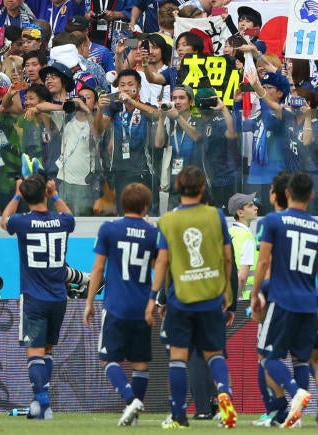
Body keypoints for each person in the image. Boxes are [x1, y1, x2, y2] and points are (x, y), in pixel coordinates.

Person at [145, 166, 237, 429]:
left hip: (180, 299)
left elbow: (162, 261)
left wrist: (154, 298)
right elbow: (227, 256)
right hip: (210, 296)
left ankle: (179, 416)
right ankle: (225, 397)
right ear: (201, 189)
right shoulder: (215, 215)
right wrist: (225, 293)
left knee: (178, 356)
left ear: (177, 188)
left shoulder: (168, 220)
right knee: (214, 353)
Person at [250, 172, 318, 428]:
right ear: (311, 196)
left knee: (268, 357)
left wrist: (254, 294)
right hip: (308, 302)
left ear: (286, 194)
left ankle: (295, 393)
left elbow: (263, 261)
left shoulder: (274, 221)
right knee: (300, 360)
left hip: (281, 299)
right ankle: (292, 417)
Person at [2, 173, 75, 419]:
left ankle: (43, 405)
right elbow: (70, 217)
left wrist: (16, 194)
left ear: (25, 196)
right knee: (47, 351)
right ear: (46, 192)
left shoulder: (22, 222)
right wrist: (55, 195)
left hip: (34, 298)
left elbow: (4, 221)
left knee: (34, 354)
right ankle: (40, 402)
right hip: (58, 298)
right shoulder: (61, 221)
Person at [85, 182, 158, 427]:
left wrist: (89, 302)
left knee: (107, 359)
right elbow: (161, 268)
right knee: (140, 363)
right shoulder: (152, 233)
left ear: (121, 204)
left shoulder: (109, 229)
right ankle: (134, 415)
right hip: (142, 305)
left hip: (116, 305)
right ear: (146, 205)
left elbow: (98, 268)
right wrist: (157, 299)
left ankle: (130, 400)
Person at [227, 193, 258, 302]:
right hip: (244, 300)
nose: (256, 208)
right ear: (240, 213)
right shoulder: (246, 237)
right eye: (250, 206)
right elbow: (242, 277)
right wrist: (233, 304)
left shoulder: (230, 233)